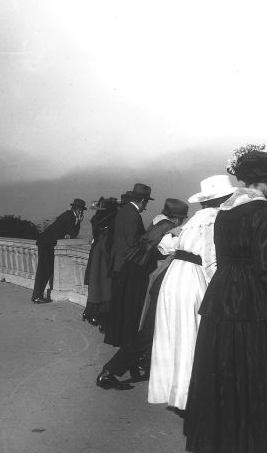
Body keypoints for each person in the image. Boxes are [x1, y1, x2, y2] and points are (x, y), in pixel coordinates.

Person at [183, 146, 267, 453]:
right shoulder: (262, 211)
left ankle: (218, 442)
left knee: (221, 369)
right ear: (266, 181)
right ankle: (247, 446)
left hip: (221, 294)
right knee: (247, 369)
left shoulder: (225, 210)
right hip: (247, 297)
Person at [147, 175, 237, 410]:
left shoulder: (195, 219)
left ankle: (174, 393)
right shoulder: (217, 220)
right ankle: (190, 398)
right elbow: (211, 259)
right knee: (191, 336)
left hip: (174, 276)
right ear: (224, 199)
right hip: (192, 278)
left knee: (172, 334)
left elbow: (166, 244)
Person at [95, 198, 189, 390]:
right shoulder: (170, 232)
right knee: (148, 330)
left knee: (148, 329)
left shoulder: (158, 223)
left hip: (141, 277)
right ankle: (112, 370)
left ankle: (129, 365)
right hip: (155, 281)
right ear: (179, 219)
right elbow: (172, 249)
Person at [103, 183, 153, 348]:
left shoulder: (124, 211)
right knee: (127, 304)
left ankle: (117, 337)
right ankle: (125, 338)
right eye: (146, 203)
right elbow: (132, 241)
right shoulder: (133, 215)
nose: (146, 207)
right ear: (142, 201)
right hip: (127, 265)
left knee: (119, 303)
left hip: (118, 263)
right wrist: (147, 241)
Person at [32, 198, 86, 304]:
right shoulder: (70, 217)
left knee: (44, 270)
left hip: (45, 242)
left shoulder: (67, 215)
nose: (82, 212)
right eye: (81, 210)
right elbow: (73, 233)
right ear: (78, 210)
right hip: (47, 243)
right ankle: (37, 296)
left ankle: (37, 296)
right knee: (44, 271)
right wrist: (79, 222)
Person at [82, 196, 119, 331]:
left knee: (96, 285)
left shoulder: (97, 219)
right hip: (105, 253)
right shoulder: (112, 218)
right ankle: (103, 320)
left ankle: (92, 313)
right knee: (106, 287)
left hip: (97, 252)